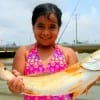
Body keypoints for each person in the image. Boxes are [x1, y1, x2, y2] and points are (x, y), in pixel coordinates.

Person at [7, 3, 97, 100]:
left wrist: (93, 78)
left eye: (52, 27)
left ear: (58, 29)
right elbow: (14, 90)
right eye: (40, 26)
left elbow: (76, 90)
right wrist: (14, 86)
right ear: (33, 27)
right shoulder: (23, 52)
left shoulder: (68, 54)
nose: (46, 32)